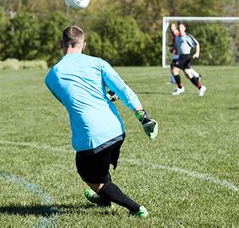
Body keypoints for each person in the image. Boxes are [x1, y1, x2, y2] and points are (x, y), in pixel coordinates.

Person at [45, 25, 158, 218]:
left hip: (91, 137)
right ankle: (105, 199)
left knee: (90, 176)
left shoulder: (51, 76)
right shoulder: (98, 63)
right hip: (116, 130)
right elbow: (122, 90)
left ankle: (136, 208)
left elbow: (72, 99)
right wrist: (143, 117)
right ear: (84, 45)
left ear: (61, 44)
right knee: (100, 166)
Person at [172, 23, 206, 96]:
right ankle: (200, 87)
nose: (180, 29)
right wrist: (173, 49)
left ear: (184, 28)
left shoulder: (187, 36)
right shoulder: (177, 37)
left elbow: (197, 44)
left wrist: (197, 53)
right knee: (188, 73)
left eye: (181, 27)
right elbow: (177, 46)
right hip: (181, 56)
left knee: (175, 70)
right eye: (179, 27)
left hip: (186, 56)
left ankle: (180, 88)